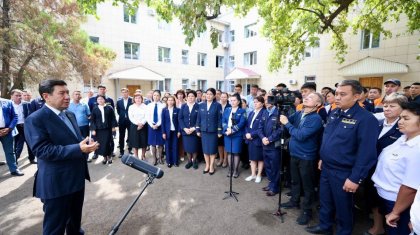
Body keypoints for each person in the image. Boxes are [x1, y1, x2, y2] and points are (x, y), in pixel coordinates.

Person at [24, 79, 99, 235]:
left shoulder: (69, 114)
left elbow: (73, 141)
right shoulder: (35, 119)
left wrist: (85, 145)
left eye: (67, 92)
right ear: (46, 96)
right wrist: (78, 148)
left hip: (76, 179)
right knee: (55, 229)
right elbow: (43, 150)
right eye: (62, 93)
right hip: (57, 184)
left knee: (74, 224)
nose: (67, 96)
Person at [306, 80, 379, 235]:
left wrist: (355, 178)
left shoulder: (366, 119)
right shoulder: (335, 113)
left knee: (343, 207)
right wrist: (322, 158)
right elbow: (328, 138)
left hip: (344, 172)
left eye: (342, 94)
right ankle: (325, 226)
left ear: (357, 96)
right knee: (325, 200)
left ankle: (343, 231)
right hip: (327, 167)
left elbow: (367, 153)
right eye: (336, 93)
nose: (337, 97)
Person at [372, 102, 420, 235]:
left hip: (397, 202)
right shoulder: (403, 138)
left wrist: (396, 211)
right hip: (385, 196)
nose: (400, 121)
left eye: (406, 118)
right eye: (401, 118)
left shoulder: (417, 148)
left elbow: (410, 187)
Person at [279, 93, 324, 225]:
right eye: (306, 97)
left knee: (308, 185)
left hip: (306, 156)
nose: (306, 98)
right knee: (295, 180)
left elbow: (301, 135)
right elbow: (286, 120)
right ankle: (294, 200)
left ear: (317, 104)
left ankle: (307, 211)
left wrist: (287, 123)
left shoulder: (315, 118)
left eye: (310, 98)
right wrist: (283, 111)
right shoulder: (300, 113)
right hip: (294, 154)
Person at [364, 93, 406, 235]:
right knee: (375, 201)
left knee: (392, 210)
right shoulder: (379, 123)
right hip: (373, 170)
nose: (387, 108)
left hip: (392, 177)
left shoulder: (404, 129)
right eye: (386, 105)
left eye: (392, 106)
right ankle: (378, 227)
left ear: (403, 109)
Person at [258, 94, 282, 197]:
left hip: (274, 146)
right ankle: (271, 184)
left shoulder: (279, 113)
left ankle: (275, 187)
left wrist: (270, 139)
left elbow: (281, 129)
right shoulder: (264, 112)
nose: (266, 101)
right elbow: (259, 128)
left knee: (275, 167)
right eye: (265, 99)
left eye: (268, 99)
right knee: (268, 166)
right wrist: (263, 138)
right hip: (265, 144)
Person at [196, 88, 222, 175]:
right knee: (205, 149)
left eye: (210, 94)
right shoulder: (201, 105)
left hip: (213, 131)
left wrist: (219, 131)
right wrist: (197, 129)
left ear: (214, 96)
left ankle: (211, 166)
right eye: (207, 94)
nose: (208, 96)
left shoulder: (217, 105)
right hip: (204, 131)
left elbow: (219, 119)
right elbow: (198, 118)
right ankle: (207, 165)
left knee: (212, 149)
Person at [222, 93, 246, 178]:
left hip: (237, 135)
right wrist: (226, 129)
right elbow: (223, 121)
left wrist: (232, 130)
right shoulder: (227, 109)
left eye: (234, 100)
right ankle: (230, 169)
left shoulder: (242, 111)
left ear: (238, 101)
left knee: (236, 153)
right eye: (231, 100)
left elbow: (242, 123)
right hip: (227, 134)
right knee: (229, 152)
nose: (232, 102)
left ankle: (235, 170)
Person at [90, 95, 117, 164]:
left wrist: (113, 127)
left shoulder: (109, 108)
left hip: (108, 129)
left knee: (108, 143)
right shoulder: (95, 109)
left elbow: (113, 118)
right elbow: (92, 120)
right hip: (99, 130)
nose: (100, 100)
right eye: (98, 99)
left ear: (104, 100)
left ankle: (109, 156)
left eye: (101, 99)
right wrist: (93, 129)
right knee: (102, 144)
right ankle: (105, 157)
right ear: (97, 101)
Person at [244, 96, 266, 183]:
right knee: (252, 158)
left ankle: (259, 175)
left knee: (260, 158)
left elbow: (262, 128)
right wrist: (246, 133)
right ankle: (253, 174)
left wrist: (252, 134)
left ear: (262, 103)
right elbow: (247, 125)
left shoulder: (264, 113)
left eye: (257, 102)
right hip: (250, 139)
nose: (255, 103)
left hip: (258, 139)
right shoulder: (252, 112)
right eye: (254, 102)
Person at [0, 94, 23, 176]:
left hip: (7, 131)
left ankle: (14, 169)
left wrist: (9, 128)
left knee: (10, 151)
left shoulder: (8, 102)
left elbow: (15, 116)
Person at [10, 89, 33, 164]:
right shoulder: (9, 104)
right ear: (12, 96)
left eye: (20, 95)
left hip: (25, 126)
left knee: (30, 143)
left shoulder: (26, 104)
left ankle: (32, 158)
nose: (19, 97)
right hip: (15, 126)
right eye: (17, 95)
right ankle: (15, 160)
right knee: (17, 144)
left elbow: (31, 115)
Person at [179, 90, 200, 170]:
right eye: (189, 96)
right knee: (187, 148)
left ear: (195, 97)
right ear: (187, 97)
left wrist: (193, 128)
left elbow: (199, 119)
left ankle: (194, 161)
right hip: (185, 131)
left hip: (194, 131)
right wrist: (184, 128)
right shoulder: (183, 106)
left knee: (194, 148)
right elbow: (180, 118)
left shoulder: (198, 106)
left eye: (192, 96)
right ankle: (189, 161)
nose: (190, 98)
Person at [146, 90, 165, 165]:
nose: (156, 97)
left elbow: (163, 117)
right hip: (151, 126)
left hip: (160, 126)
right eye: (154, 95)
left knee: (160, 143)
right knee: (152, 143)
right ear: (152, 96)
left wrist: (158, 124)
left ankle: (160, 158)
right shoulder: (149, 105)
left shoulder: (163, 105)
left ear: (160, 96)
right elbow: (147, 116)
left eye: (157, 95)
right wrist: (152, 125)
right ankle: (154, 158)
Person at [161, 96, 180, 167]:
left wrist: (179, 131)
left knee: (175, 146)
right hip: (167, 131)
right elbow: (163, 122)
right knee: (168, 146)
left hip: (175, 131)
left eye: (172, 100)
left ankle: (175, 161)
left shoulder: (177, 110)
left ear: (174, 102)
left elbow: (179, 122)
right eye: (169, 100)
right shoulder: (164, 110)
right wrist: (163, 132)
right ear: (167, 101)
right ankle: (169, 162)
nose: (170, 102)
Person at [128, 93, 148, 160]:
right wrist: (137, 123)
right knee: (135, 141)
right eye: (136, 98)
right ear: (134, 99)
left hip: (144, 126)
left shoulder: (145, 106)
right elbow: (131, 117)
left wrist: (142, 123)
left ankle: (143, 155)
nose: (138, 99)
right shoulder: (131, 107)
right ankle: (136, 156)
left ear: (142, 99)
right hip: (134, 126)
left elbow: (146, 116)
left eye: (139, 98)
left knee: (144, 142)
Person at [116, 88, 133, 157]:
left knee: (130, 135)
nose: (124, 93)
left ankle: (130, 149)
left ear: (128, 93)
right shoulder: (119, 101)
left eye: (125, 92)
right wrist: (123, 116)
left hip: (130, 120)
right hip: (122, 121)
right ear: (121, 93)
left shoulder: (132, 100)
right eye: (123, 92)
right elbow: (118, 111)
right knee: (121, 136)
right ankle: (121, 151)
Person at [217, 92, 230, 167]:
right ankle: (221, 159)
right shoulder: (217, 105)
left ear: (227, 98)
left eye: (225, 97)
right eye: (222, 97)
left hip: (226, 127)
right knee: (219, 144)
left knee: (225, 144)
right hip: (218, 127)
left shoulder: (229, 106)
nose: (223, 98)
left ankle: (225, 159)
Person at [175, 89, 186, 161]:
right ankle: (176, 154)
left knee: (182, 140)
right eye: (178, 94)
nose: (180, 95)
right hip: (175, 123)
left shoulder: (185, 103)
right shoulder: (174, 103)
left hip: (183, 123)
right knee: (176, 140)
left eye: (181, 94)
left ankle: (182, 154)